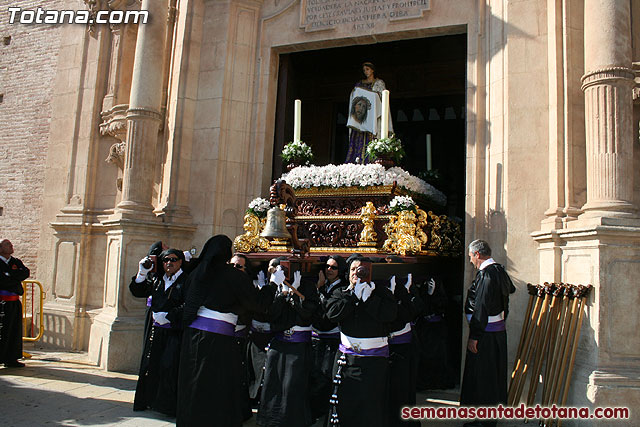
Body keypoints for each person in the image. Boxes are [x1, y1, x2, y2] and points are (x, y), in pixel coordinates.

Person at [177, 235, 276, 427]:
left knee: (194, 383)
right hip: (218, 341)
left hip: (193, 337)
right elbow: (257, 304)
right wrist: (272, 284)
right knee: (217, 385)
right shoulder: (233, 276)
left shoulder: (197, 272)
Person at [325, 256, 397, 426]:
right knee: (345, 405)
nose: (357, 273)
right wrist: (352, 298)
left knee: (371, 407)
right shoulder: (340, 293)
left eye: (361, 270)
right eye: (353, 270)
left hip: (374, 362)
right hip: (347, 361)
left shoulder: (381, 293)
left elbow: (390, 316)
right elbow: (331, 315)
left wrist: (369, 299)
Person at [460, 239, 516, 427]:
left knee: (483, 376)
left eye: (470, 257)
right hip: (497, 332)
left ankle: (484, 421)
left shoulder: (486, 274)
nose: (470, 261)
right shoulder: (499, 270)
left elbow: (481, 306)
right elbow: (508, 294)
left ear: (477, 254)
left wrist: (475, 335)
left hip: (485, 334)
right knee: (493, 375)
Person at [258, 263, 320, 427]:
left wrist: (295, 295)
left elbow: (309, 312)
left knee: (293, 385)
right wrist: (282, 295)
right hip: (279, 343)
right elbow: (270, 314)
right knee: (274, 383)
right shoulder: (276, 287)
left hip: (298, 345)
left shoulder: (307, 286)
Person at [130, 248, 189, 416]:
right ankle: (149, 400)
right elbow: (138, 291)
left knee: (170, 366)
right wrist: (142, 273)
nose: (169, 263)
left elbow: (190, 303)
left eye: (173, 259)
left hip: (174, 332)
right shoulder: (156, 279)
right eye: (165, 260)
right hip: (156, 330)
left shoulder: (186, 280)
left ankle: (167, 406)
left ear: (180, 261)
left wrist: (170, 316)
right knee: (151, 364)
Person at [309, 255, 347, 424]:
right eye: (327, 267)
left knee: (325, 377)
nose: (329, 270)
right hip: (316, 338)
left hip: (331, 339)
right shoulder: (322, 286)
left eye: (333, 267)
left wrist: (321, 291)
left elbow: (329, 315)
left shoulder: (341, 289)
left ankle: (323, 410)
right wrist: (318, 287)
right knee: (315, 375)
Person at [386, 273, 424, 426]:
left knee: (403, 388)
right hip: (387, 346)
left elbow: (408, 315)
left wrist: (405, 296)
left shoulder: (404, 291)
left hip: (403, 346)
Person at [345, 62, 390, 164]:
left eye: (367, 69)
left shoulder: (378, 83)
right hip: (361, 118)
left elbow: (381, 98)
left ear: (372, 70)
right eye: (364, 70)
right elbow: (354, 95)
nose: (366, 72)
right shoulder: (360, 84)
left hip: (372, 117)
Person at [0, 239, 30, 368]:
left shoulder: (16, 262)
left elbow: (25, 272)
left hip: (14, 303)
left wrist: (9, 276)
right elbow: (2, 281)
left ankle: (11, 358)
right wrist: (14, 278)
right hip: (1, 303)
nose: (11, 246)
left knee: (14, 331)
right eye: (7, 244)